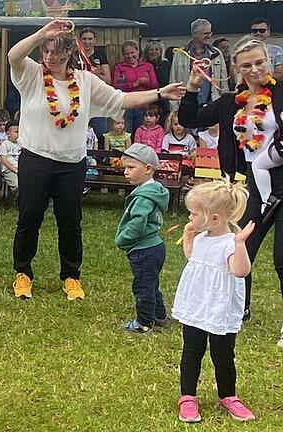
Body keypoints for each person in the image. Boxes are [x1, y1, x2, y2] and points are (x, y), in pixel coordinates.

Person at [7, 19, 184, 301]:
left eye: (57, 52)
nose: (50, 57)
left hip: (72, 163)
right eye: (46, 52)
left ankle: (71, 277)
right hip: (35, 159)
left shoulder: (86, 82)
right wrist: (44, 32)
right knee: (29, 218)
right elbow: (13, 55)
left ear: (69, 54)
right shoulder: (31, 74)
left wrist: (160, 92)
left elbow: (122, 99)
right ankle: (23, 273)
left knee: (71, 221)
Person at [178, 37, 283, 340]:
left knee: (282, 258)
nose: (254, 70)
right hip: (252, 183)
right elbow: (189, 119)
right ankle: (240, 308)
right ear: (236, 68)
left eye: (259, 62)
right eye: (246, 65)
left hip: (281, 176)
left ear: (268, 61)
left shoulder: (281, 93)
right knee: (240, 248)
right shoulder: (229, 102)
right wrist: (194, 85)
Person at [172, 180, 255, 423]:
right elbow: (193, 258)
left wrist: (240, 244)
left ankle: (228, 395)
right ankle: (187, 396)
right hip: (197, 304)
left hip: (219, 307)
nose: (190, 216)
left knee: (223, 354)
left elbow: (240, 271)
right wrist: (188, 237)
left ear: (215, 218)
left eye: (194, 213)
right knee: (191, 351)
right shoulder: (201, 238)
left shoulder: (230, 243)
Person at [114, 144, 170, 334]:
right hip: (156, 246)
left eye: (131, 168)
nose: (126, 173)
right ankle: (159, 316)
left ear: (148, 169)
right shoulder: (155, 190)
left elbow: (138, 223)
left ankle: (144, 323)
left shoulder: (143, 197)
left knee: (143, 286)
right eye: (125, 168)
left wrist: (122, 239)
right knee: (152, 283)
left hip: (144, 250)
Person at [170, 18, 229, 108]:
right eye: (205, 34)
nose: (209, 36)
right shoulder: (180, 54)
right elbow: (173, 81)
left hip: (212, 105)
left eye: (210, 33)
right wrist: (175, 108)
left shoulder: (216, 53)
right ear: (194, 34)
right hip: (187, 104)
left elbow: (224, 83)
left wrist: (225, 106)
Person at [113, 40, 158, 133]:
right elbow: (115, 86)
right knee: (127, 132)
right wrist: (134, 84)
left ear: (138, 51)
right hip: (126, 104)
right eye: (126, 54)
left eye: (132, 52)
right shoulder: (119, 67)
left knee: (142, 132)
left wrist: (146, 83)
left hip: (143, 104)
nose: (130, 56)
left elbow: (155, 86)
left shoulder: (147, 66)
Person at [78, 28, 112, 141]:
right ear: (79, 40)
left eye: (90, 39)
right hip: (79, 100)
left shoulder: (100, 55)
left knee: (100, 132)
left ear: (95, 40)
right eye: (84, 39)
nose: (87, 42)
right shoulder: (74, 55)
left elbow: (108, 80)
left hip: (97, 99)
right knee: (79, 132)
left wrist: (97, 75)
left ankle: (100, 158)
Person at [143, 38, 173, 120]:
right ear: (146, 51)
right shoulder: (143, 65)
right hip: (148, 97)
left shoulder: (165, 64)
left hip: (163, 98)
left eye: (157, 49)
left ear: (161, 51)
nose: (154, 52)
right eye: (150, 50)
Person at [0, 120, 20, 199]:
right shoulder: (5, 144)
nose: (19, 134)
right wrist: (14, 169)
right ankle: (15, 199)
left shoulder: (22, 144)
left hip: (22, 169)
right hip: (9, 169)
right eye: (16, 132)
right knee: (17, 185)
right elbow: (3, 159)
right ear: (8, 134)